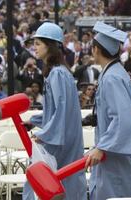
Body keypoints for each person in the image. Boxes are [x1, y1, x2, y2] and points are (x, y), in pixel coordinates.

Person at [85, 22, 131, 199]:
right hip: (114, 151)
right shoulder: (114, 73)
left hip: (115, 155)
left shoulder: (112, 77)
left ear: (97, 50)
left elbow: (123, 119)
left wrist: (103, 147)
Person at [22, 22, 86, 200]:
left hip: (60, 142)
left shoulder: (57, 74)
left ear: (49, 46)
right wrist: (34, 121)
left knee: (42, 183)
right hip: (63, 138)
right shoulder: (59, 73)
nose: (34, 48)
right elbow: (55, 110)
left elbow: (61, 112)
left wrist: (44, 134)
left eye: (38, 44)